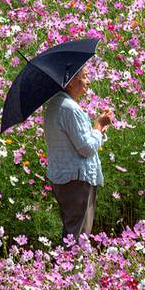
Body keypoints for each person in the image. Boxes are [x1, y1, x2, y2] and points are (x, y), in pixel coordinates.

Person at [43, 63, 114, 243]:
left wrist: (98, 131)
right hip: (77, 180)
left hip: (63, 177)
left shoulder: (54, 105)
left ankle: (67, 267)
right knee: (78, 235)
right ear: (70, 81)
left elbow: (76, 141)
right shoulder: (70, 109)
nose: (88, 82)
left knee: (72, 230)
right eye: (84, 76)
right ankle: (73, 269)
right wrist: (99, 125)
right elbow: (86, 148)